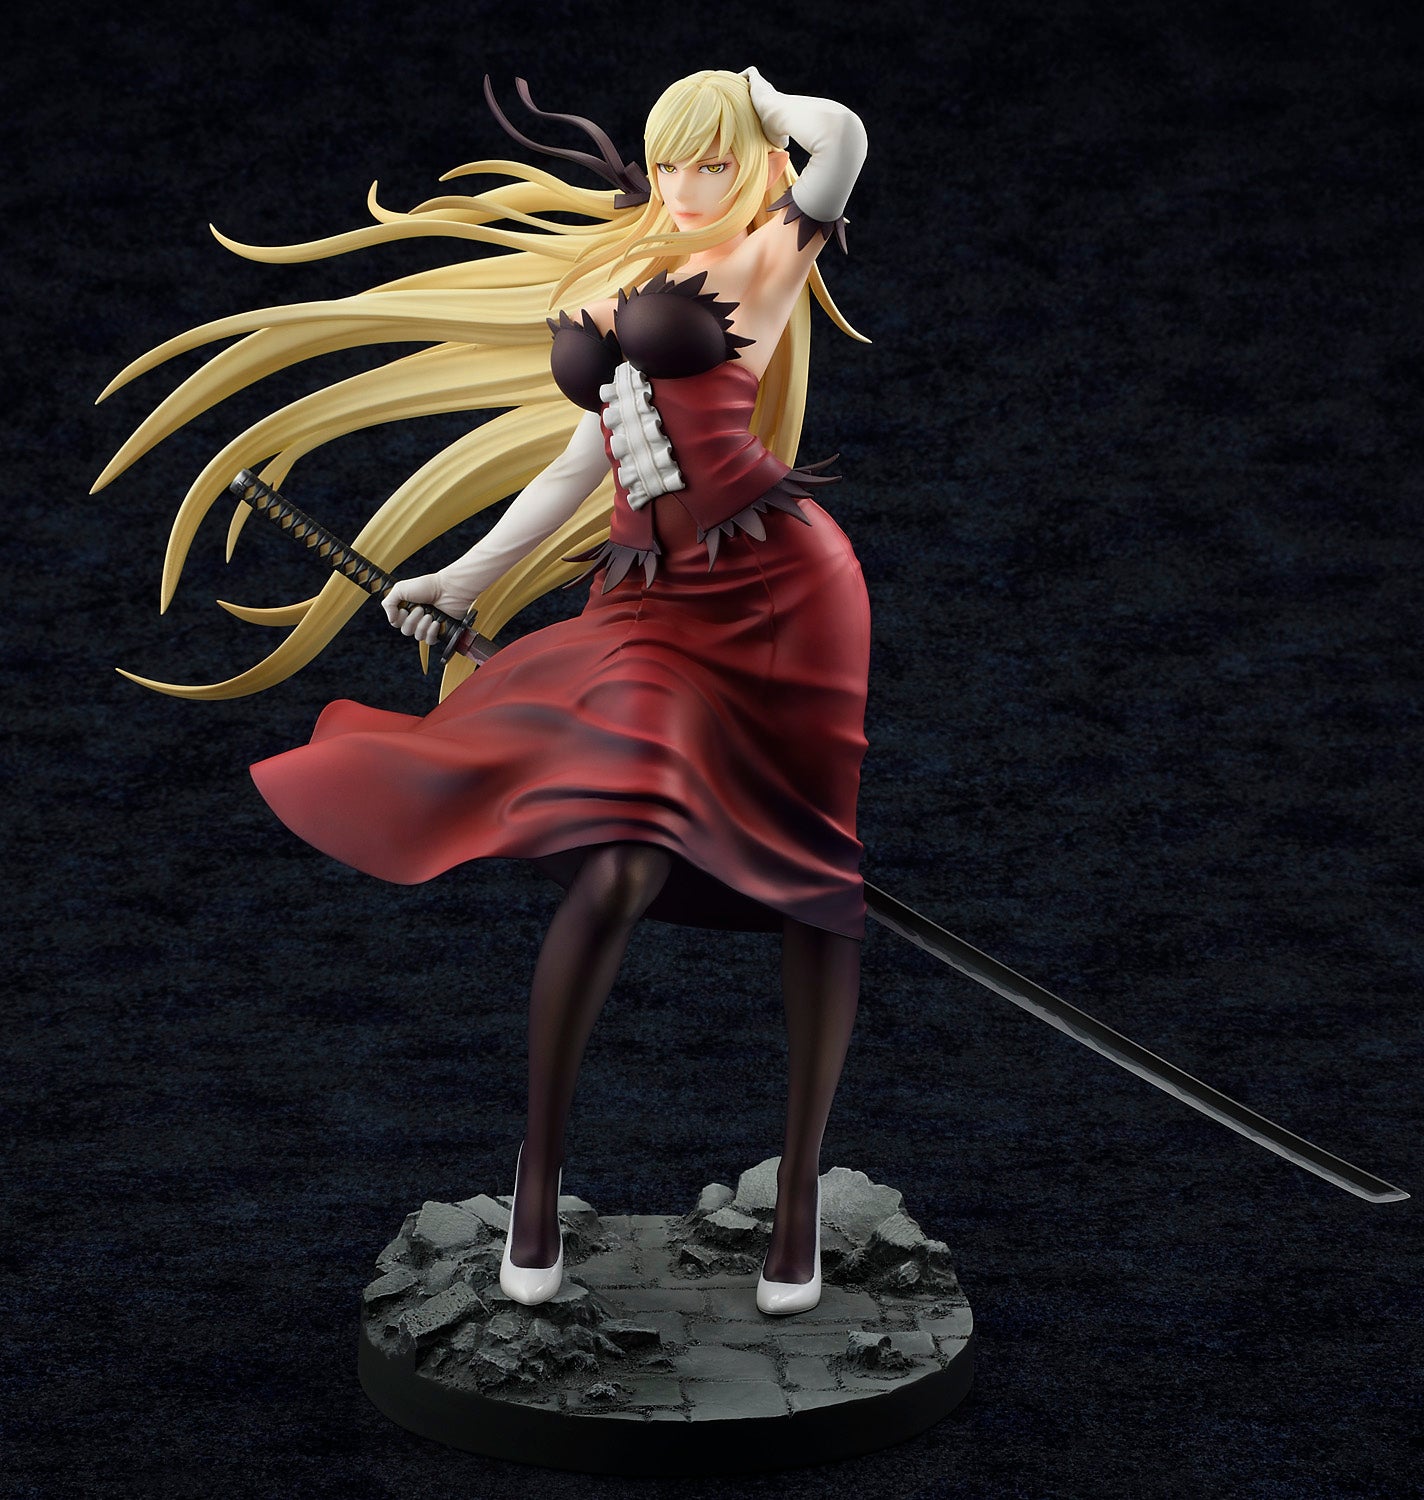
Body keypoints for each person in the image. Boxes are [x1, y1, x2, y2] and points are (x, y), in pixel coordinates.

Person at [95, 67, 870, 1316]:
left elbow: (842, 139)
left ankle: (798, 1211)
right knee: (620, 858)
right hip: (649, 599)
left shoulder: (766, 259)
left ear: (753, 164)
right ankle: (538, 1176)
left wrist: (757, 97)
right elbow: (578, 464)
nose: (686, 187)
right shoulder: (627, 277)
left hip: (781, 593)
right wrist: (465, 576)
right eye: (670, 163)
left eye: (713, 162)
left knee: (817, 883)